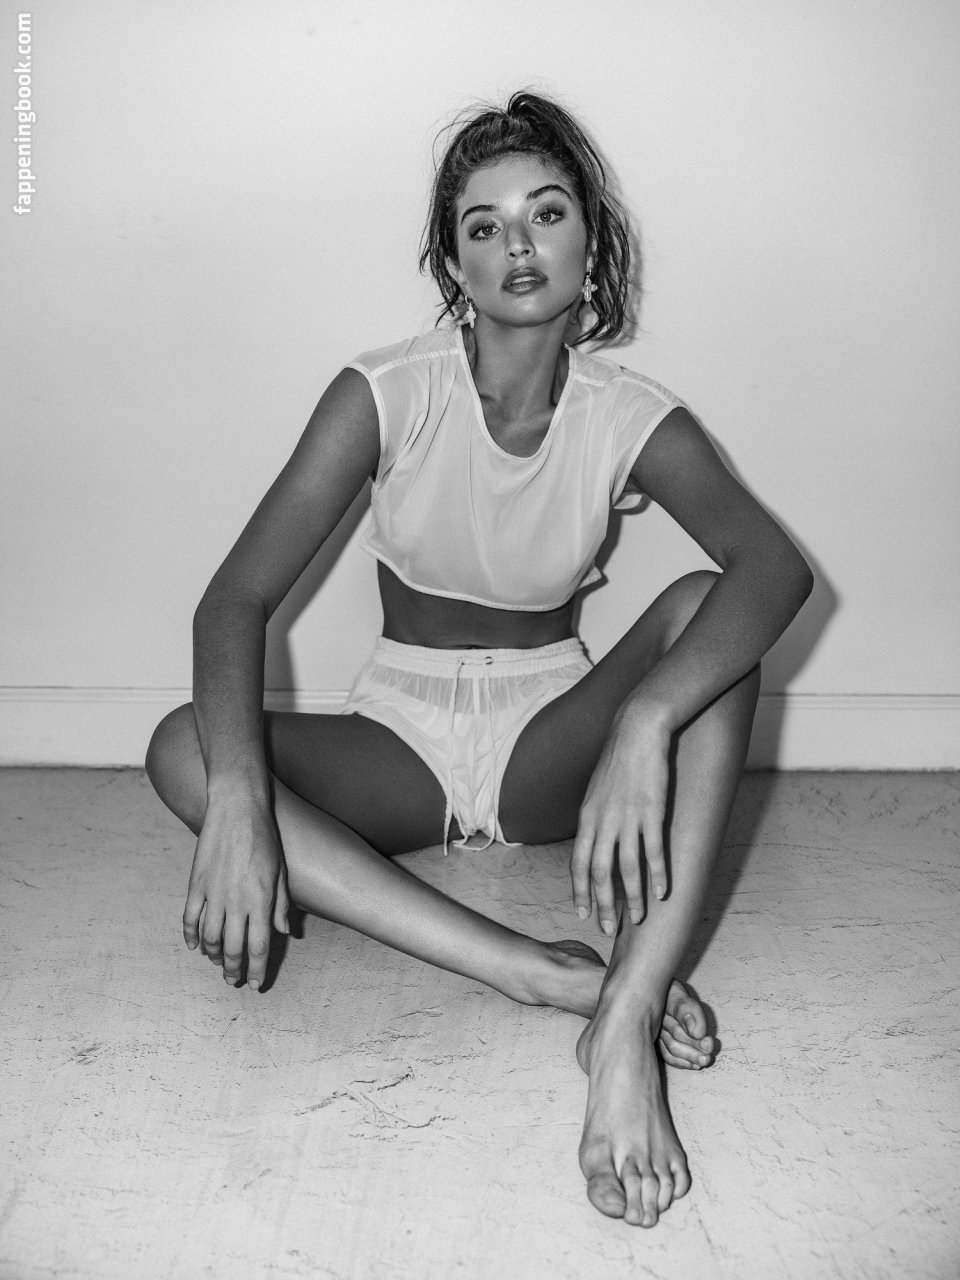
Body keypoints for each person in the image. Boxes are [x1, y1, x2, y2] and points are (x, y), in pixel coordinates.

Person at [145, 90, 812, 1229]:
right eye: (484, 225)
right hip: (397, 734)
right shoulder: (385, 392)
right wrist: (243, 806)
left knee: (711, 611)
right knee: (182, 748)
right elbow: (234, 602)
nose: (519, 245)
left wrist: (643, 721)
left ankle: (626, 1012)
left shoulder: (627, 413)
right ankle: (533, 969)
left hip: (550, 736)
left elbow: (773, 569)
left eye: (547, 214)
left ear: (590, 241)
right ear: (453, 261)